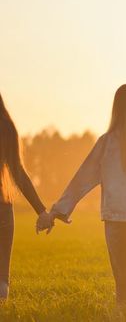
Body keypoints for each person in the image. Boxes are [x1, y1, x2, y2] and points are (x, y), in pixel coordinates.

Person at [38, 84, 126, 321]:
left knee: (124, 287)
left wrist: (57, 211)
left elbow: (81, 179)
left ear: (116, 109)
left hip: (117, 222)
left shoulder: (107, 143)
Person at [0, 93, 50, 299]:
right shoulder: (6, 128)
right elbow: (18, 174)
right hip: (2, 209)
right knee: (1, 276)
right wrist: (41, 210)